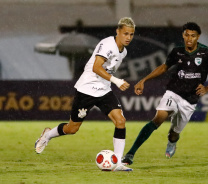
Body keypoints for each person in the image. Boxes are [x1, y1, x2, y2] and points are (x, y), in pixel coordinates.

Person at [35, 17, 136, 171]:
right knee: (72, 128)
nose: (128, 37)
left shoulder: (124, 51)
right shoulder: (107, 45)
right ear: (118, 32)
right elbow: (96, 67)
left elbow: (106, 71)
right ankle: (47, 135)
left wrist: (111, 82)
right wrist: (116, 80)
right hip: (86, 90)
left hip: (104, 90)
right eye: (125, 34)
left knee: (120, 121)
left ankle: (118, 164)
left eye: (131, 34)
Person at [122, 22, 208, 165]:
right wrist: (143, 80)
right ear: (183, 35)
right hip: (174, 92)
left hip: (190, 100)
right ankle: (130, 154)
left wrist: (207, 88)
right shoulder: (177, 52)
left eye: (193, 36)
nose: (189, 39)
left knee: (173, 134)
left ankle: (172, 142)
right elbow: (164, 67)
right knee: (158, 118)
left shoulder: (207, 53)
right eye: (187, 35)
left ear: (198, 37)